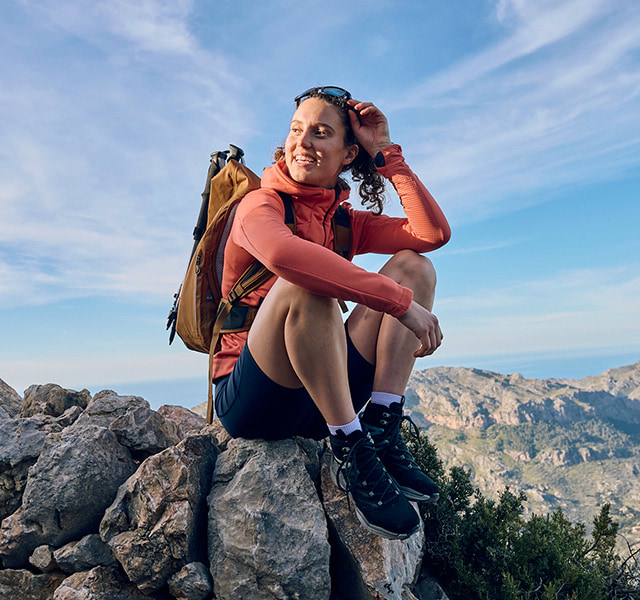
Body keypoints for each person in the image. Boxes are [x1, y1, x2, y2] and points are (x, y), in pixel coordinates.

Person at [212, 86, 451, 540]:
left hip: (325, 392)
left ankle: (380, 425)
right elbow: (285, 255)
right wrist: (399, 306)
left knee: (413, 267)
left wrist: (385, 154)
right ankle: (351, 448)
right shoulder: (259, 205)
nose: (302, 143)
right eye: (297, 130)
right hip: (254, 401)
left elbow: (431, 234)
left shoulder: (342, 219)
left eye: (321, 133)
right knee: (306, 283)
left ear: (346, 155)